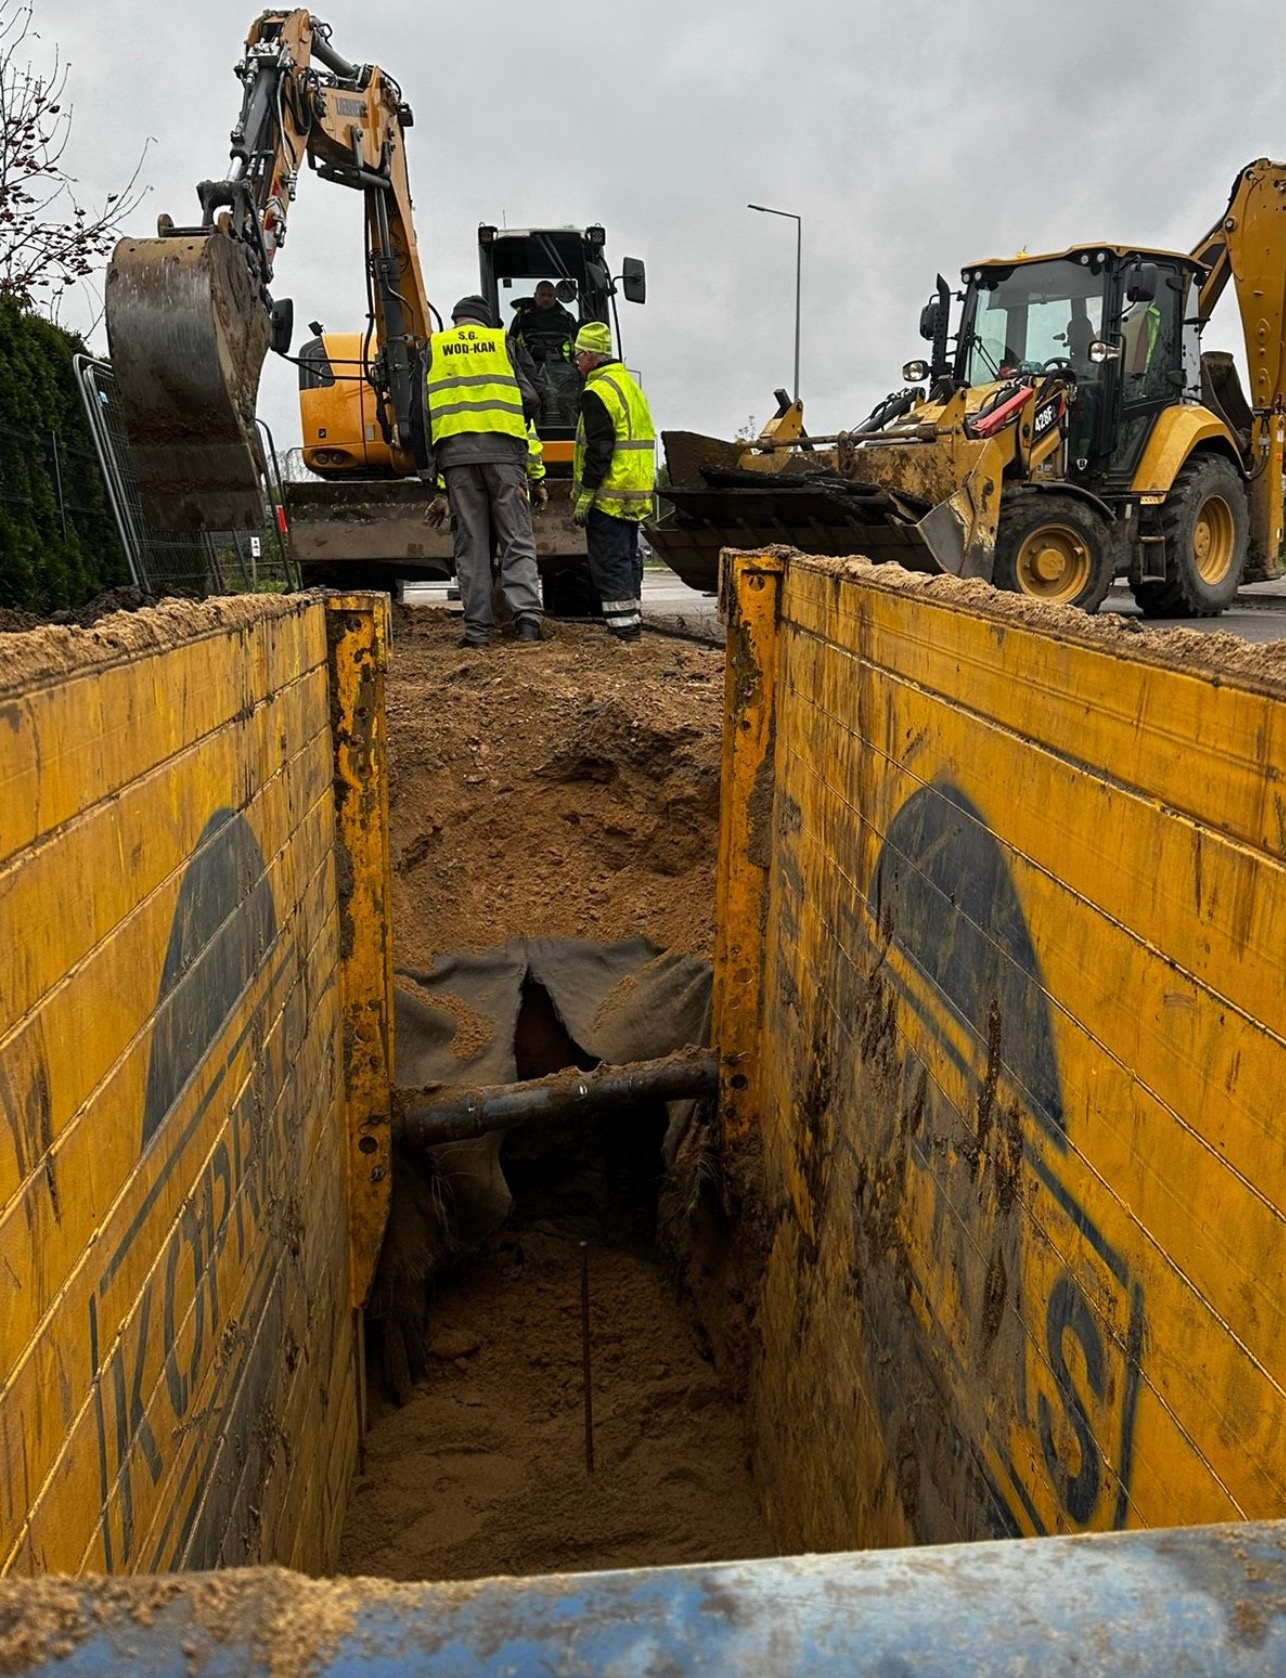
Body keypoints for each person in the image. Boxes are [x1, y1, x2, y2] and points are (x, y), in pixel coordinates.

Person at [423, 295, 544, 648]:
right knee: (516, 538)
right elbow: (533, 397)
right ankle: (527, 623)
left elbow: (420, 414)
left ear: (456, 320)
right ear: (485, 321)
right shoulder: (502, 343)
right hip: (505, 455)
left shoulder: (435, 347)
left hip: (456, 461)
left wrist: (433, 477)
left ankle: (476, 632)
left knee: (471, 544)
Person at [570, 321, 655, 641]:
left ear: (591, 356)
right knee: (627, 557)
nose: (576, 362)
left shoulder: (597, 392)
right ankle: (631, 622)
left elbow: (600, 448)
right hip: (633, 490)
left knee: (610, 561)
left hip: (609, 492)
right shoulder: (628, 385)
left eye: (578, 355)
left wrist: (587, 492)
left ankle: (623, 631)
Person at [511, 280, 577, 363]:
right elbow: (511, 344)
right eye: (542, 295)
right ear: (535, 296)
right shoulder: (522, 318)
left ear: (555, 297)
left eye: (550, 295)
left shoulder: (567, 319)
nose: (546, 299)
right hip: (529, 367)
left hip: (563, 367)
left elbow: (577, 346)